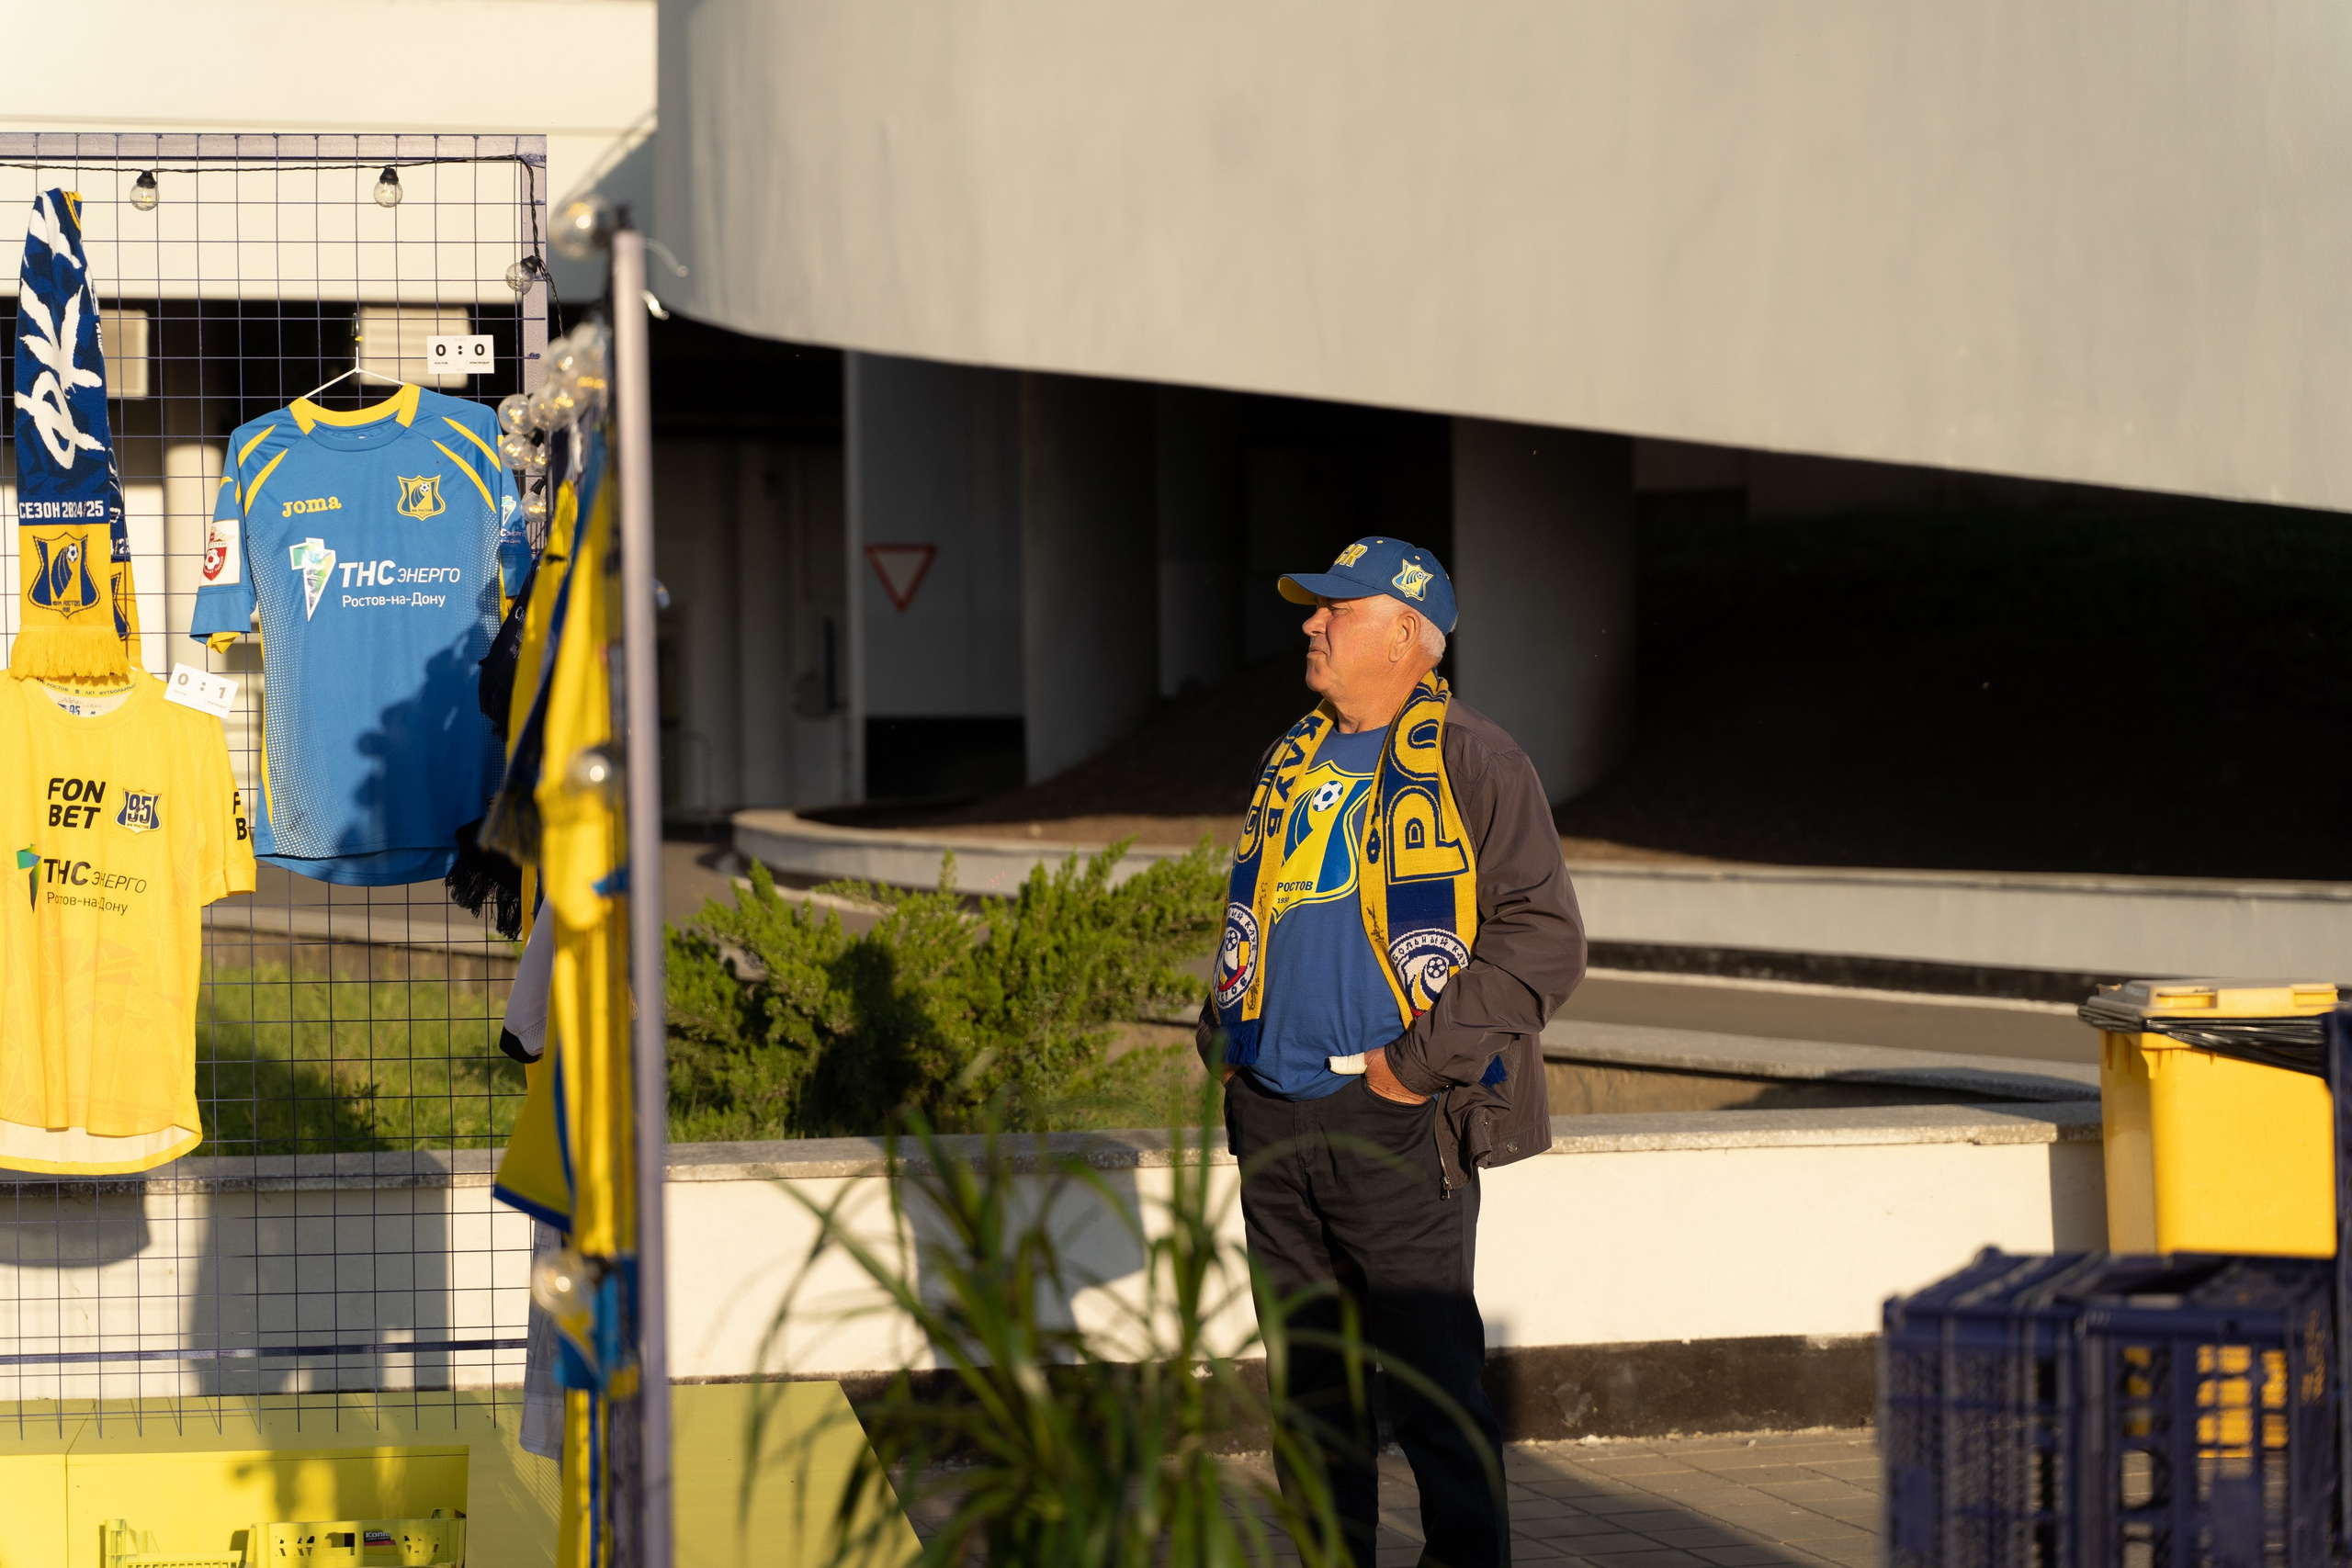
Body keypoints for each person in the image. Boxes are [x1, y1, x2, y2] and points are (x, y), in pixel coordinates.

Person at [1197, 536, 1586, 1568]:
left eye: (1339, 610)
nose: (1310, 624)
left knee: (1428, 1390)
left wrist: (1411, 1068)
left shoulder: (1474, 757)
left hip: (1394, 1124)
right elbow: (1256, 913)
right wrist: (1226, 1044)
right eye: (1313, 609)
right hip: (1274, 1116)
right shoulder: (1293, 754)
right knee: (1312, 1392)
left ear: (1408, 634)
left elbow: (1543, 940)